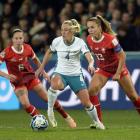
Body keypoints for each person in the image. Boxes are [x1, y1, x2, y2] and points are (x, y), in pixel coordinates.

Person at [36, 19, 105, 130]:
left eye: (66, 30)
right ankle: (50, 110)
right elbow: (49, 51)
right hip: (60, 73)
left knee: (87, 103)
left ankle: (97, 121)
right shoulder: (57, 41)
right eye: (62, 30)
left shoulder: (80, 42)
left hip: (76, 75)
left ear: (72, 31)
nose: (63, 32)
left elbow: (89, 56)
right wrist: (42, 67)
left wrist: (91, 64)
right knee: (55, 84)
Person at [0, 28, 76, 128]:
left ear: (23, 39)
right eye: (16, 38)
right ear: (12, 40)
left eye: (20, 38)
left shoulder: (27, 48)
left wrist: (43, 72)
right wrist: (7, 76)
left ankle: (67, 117)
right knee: (25, 105)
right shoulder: (6, 52)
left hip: (30, 78)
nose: (18, 40)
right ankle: (39, 118)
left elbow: (35, 60)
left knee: (49, 99)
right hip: (18, 82)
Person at [86, 15, 140, 126]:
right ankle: (98, 122)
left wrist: (118, 73)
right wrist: (91, 64)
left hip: (118, 68)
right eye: (88, 28)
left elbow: (122, 56)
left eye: (92, 27)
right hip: (103, 69)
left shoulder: (111, 39)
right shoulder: (88, 39)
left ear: (100, 28)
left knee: (133, 96)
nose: (90, 30)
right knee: (91, 91)